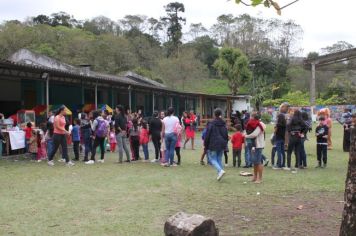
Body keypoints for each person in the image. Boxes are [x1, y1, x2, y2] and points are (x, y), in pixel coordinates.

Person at [204, 108, 228, 181]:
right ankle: (219, 174)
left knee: (212, 159)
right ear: (220, 114)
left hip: (213, 143)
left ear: (214, 114)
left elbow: (207, 135)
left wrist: (206, 144)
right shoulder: (223, 123)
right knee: (219, 159)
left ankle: (220, 171)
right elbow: (225, 134)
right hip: (221, 143)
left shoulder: (211, 123)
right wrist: (225, 142)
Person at [244, 113, 266, 184]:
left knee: (259, 162)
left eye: (251, 117)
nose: (250, 119)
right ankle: (255, 177)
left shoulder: (260, 124)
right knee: (255, 162)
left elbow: (254, 134)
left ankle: (260, 179)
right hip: (254, 145)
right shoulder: (254, 123)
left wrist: (246, 136)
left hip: (258, 145)